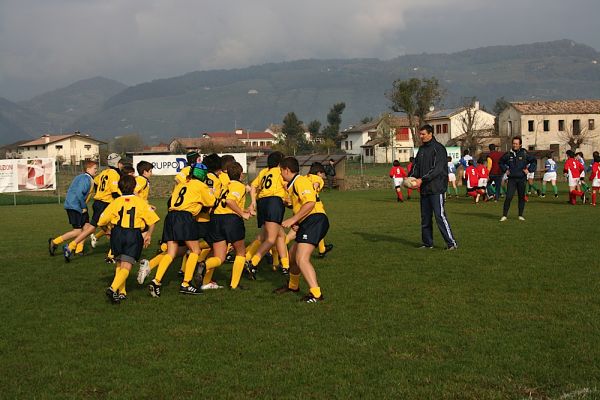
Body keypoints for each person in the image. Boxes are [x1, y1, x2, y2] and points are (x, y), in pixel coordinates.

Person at [148, 163, 215, 297]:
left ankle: (156, 281)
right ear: (203, 175)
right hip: (185, 217)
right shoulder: (201, 185)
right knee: (196, 250)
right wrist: (211, 192)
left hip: (171, 216)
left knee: (171, 252)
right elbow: (211, 202)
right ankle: (186, 284)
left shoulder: (182, 184)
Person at [275, 157, 329, 303]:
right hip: (308, 222)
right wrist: (297, 221)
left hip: (315, 220)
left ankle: (316, 294)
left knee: (301, 259)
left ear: (286, 170)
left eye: (281, 171)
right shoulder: (293, 185)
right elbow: (301, 205)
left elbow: (310, 203)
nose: (280, 174)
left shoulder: (300, 181)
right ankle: (293, 286)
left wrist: (293, 219)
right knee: (292, 257)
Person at [99, 175, 159, 304]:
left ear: (119, 188)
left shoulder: (115, 202)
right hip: (133, 234)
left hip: (117, 233)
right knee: (127, 265)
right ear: (134, 187)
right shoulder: (139, 202)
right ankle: (113, 289)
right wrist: (148, 234)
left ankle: (122, 292)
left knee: (120, 263)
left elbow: (101, 221)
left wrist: (107, 231)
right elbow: (153, 220)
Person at [194, 162, 251, 290]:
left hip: (216, 219)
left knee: (219, 256)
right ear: (241, 174)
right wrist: (242, 213)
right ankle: (234, 285)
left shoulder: (224, 186)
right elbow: (230, 201)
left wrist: (246, 211)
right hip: (230, 220)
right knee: (241, 252)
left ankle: (204, 266)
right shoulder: (239, 186)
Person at [64, 152, 122, 262]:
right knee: (101, 228)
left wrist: (100, 192)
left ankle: (113, 251)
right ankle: (71, 246)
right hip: (105, 204)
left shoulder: (104, 172)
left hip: (98, 203)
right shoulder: (114, 174)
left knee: (108, 228)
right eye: (120, 162)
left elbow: (96, 182)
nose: (121, 165)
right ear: (117, 163)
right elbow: (114, 193)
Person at [410, 124, 457, 250]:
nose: (421, 136)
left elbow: (437, 170)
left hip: (436, 188)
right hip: (424, 189)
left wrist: (422, 179)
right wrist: (411, 178)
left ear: (430, 134)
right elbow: (416, 167)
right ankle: (427, 243)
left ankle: (451, 243)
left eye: (423, 134)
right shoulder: (421, 150)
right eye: (420, 134)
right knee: (425, 218)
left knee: (439, 216)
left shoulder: (439, 149)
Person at [245, 151, 289, 279]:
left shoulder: (264, 172)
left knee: (280, 235)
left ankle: (285, 266)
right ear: (280, 163)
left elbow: (253, 186)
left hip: (262, 203)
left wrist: (253, 202)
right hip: (273, 202)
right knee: (270, 239)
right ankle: (252, 263)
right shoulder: (280, 172)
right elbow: (287, 186)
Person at [48, 160, 98, 256]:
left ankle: (79, 250)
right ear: (88, 169)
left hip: (77, 205)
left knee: (87, 228)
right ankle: (54, 242)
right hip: (75, 206)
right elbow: (79, 193)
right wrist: (83, 207)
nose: (96, 170)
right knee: (77, 231)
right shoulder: (85, 179)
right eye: (95, 168)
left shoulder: (83, 177)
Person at [499, 136, 536, 221]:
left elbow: (533, 161)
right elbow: (500, 162)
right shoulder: (508, 154)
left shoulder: (524, 153)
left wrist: (529, 170)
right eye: (513, 143)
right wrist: (505, 170)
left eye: (516, 144)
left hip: (522, 179)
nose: (514, 145)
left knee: (521, 197)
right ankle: (504, 215)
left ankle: (520, 215)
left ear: (520, 144)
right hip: (511, 179)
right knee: (508, 197)